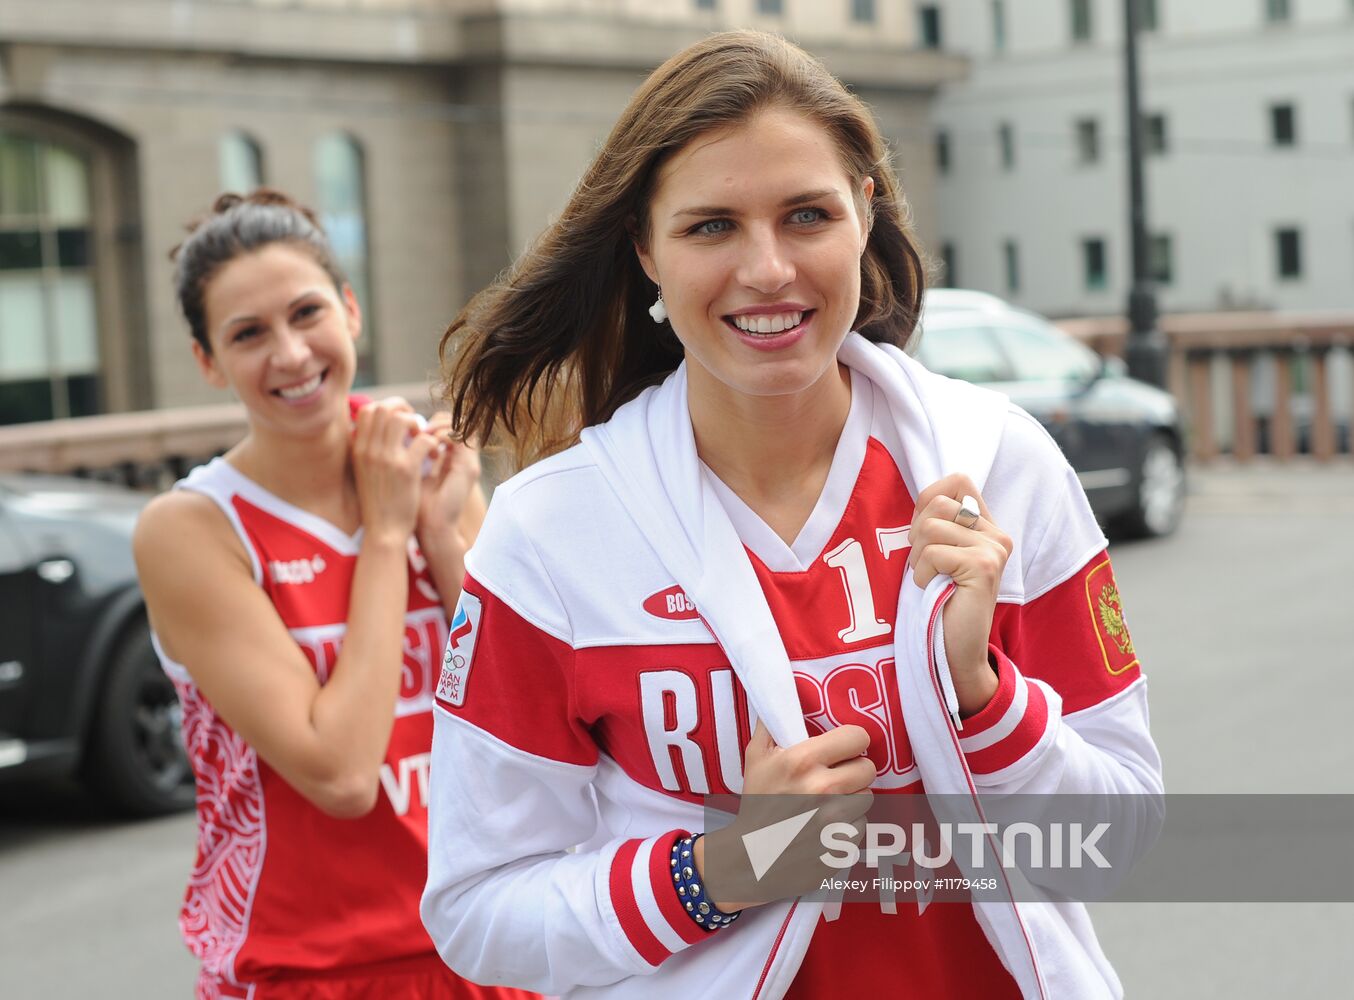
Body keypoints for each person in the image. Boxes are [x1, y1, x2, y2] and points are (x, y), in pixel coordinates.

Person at [421, 31, 1163, 1000]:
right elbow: (477, 911)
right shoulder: (550, 532)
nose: (767, 269)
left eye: (805, 215)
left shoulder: (1002, 465)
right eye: (711, 227)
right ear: (645, 248)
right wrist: (721, 870)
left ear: (864, 212)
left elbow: (1122, 842)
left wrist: (981, 696)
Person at [134, 190, 534, 1000]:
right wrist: (385, 538)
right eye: (248, 334)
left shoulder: (425, 468)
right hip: (312, 966)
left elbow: (526, 710)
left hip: (490, 941)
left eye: (306, 313)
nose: (290, 354)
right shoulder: (192, 528)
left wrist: (439, 541)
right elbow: (342, 776)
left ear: (350, 310)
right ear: (208, 362)